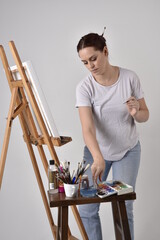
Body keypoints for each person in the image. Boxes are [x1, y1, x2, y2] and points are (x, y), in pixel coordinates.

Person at [75, 30, 149, 240]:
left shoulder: (129, 77)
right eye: (85, 62)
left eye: (93, 58)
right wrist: (98, 157)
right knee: (87, 209)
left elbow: (145, 116)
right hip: (96, 154)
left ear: (105, 51)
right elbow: (87, 128)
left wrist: (136, 113)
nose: (91, 66)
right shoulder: (84, 88)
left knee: (123, 206)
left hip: (127, 151)